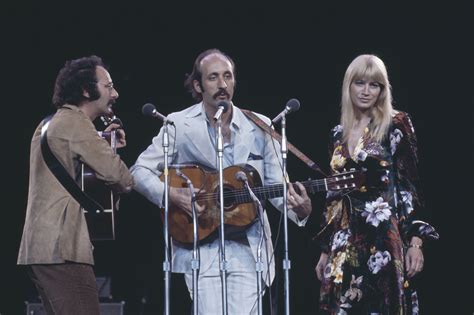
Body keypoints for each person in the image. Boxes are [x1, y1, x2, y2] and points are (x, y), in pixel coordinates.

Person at [131, 48, 312, 314]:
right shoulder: (178, 124)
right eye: (213, 77)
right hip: (200, 244)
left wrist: (300, 209)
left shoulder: (259, 125)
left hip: (249, 246)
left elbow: (276, 186)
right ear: (198, 85)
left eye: (228, 76)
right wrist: (171, 194)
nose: (222, 84)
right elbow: (138, 170)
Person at [314, 54, 439, 314]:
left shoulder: (396, 124)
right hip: (343, 242)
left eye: (375, 85)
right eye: (360, 83)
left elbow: (410, 186)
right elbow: (333, 197)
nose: (366, 91)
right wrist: (326, 249)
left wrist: (415, 242)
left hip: (382, 239)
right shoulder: (337, 134)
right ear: (349, 85)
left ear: (383, 89)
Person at [17, 55, 134, 315]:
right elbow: (121, 178)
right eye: (108, 86)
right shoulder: (76, 124)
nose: (115, 93)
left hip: (41, 248)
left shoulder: (50, 123)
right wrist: (109, 149)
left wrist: (103, 142)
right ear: (85, 90)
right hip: (63, 248)